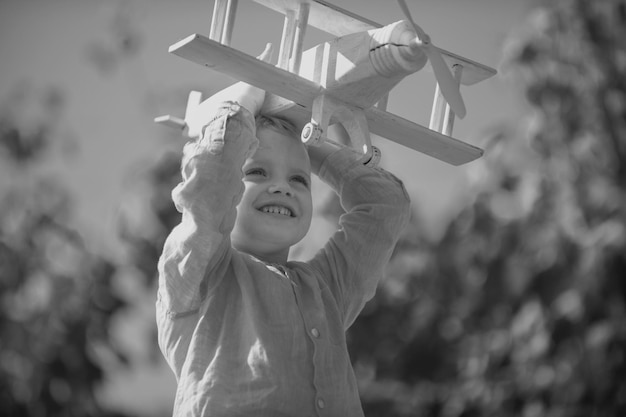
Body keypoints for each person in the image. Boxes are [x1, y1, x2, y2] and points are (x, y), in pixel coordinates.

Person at [156, 45, 411, 416]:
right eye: (257, 172)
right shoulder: (201, 272)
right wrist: (244, 103)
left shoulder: (325, 287)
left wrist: (310, 144)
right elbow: (208, 193)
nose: (283, 187)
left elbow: (385, 206)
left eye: (300, 179)